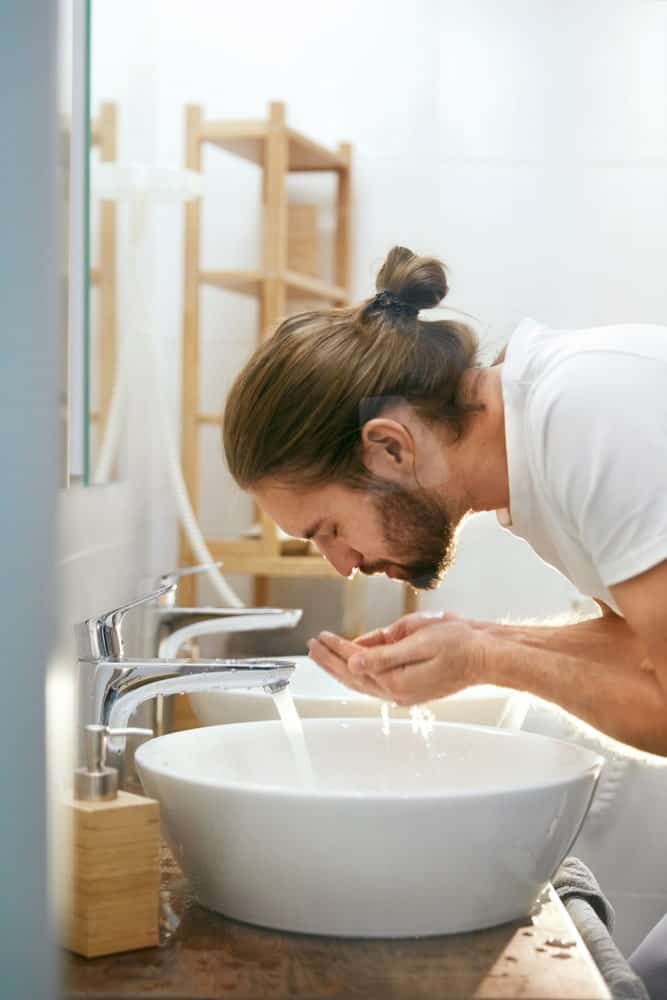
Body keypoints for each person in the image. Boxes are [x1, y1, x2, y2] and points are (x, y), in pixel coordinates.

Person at [223, 246, 667, 991]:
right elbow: (640, 652)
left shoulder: (586, 418)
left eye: (327, 527)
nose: (338, 562)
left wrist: (489, 662)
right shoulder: (536, 445)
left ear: (389, 447)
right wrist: (475, 642)